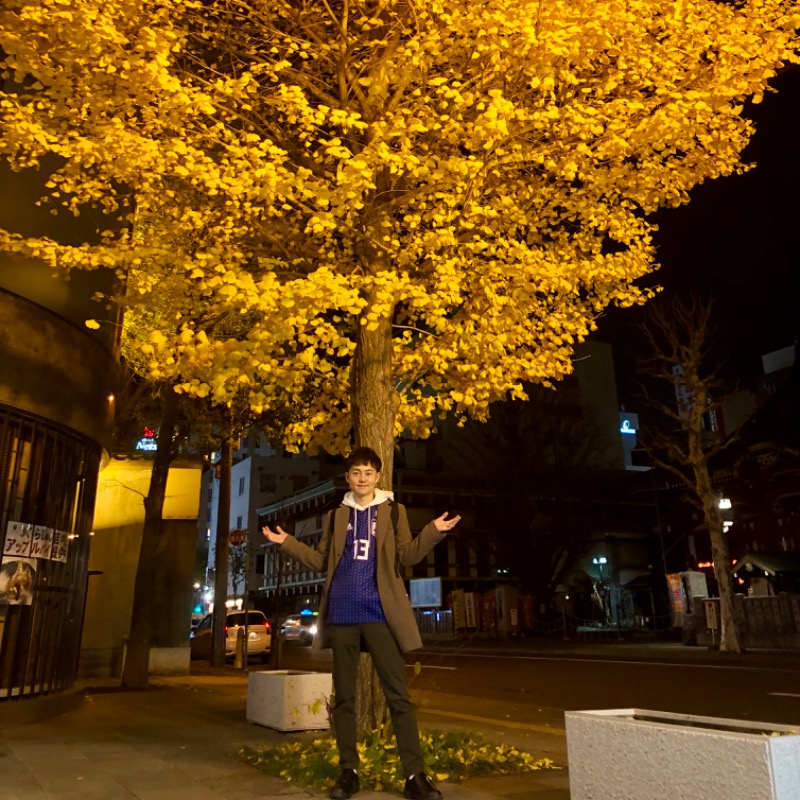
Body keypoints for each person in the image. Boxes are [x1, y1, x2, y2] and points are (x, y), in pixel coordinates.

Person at [262, 446, 460, 800]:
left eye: (369, 472)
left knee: (398, 696)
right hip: (342, 613)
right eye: (356, 472)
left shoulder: (393, 511)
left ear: (378, 476)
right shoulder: (337, 515)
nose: (363, 478)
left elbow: (407, 555)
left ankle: (415, 776)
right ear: (348, 478)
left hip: (380, 613)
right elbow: (323, 560)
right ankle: (348, 772)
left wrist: (433, 531)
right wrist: (287, 543)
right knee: (345, 699)